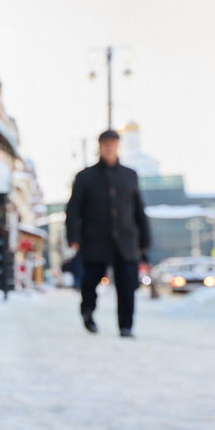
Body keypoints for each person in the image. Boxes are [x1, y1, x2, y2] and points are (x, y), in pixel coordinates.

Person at [65, 129, 151, 337]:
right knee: (90, 281)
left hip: (126, 241)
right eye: (106, 144)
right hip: (95, 240)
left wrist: (144, 241)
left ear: (118, 146)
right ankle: (87, 311)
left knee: (127, 285)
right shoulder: (85, 177)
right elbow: (73, 209)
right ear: (100, 147)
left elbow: (139, 210)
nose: (109, 148)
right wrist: (73, 237)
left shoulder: (130, 175)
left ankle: (126, 325)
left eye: (113, 144)